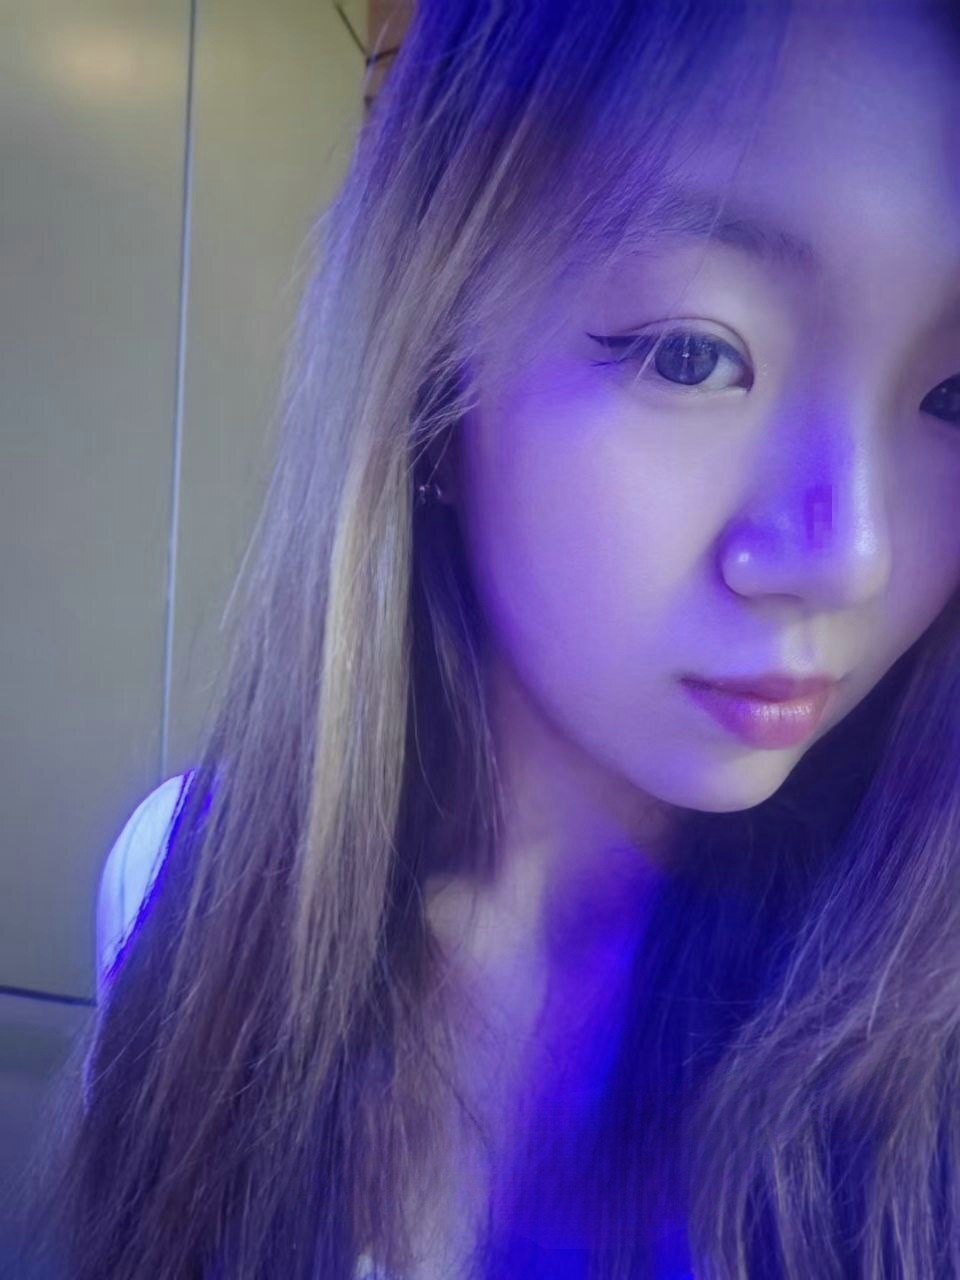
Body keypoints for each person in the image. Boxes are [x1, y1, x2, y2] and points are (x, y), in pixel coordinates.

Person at [25, 0, 960, 1276]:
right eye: (695, 354)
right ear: (432, 361)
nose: (852, 552)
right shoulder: (180, 875)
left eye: (953, 394)